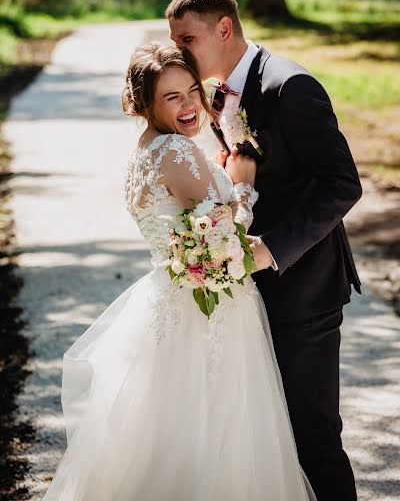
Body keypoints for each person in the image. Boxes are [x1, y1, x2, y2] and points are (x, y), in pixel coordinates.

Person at [41, 42, 316, 500]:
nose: (189, 104)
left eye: (191, 90)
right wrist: (243, 184)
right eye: (172, 97)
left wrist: (219, 175)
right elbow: (224, 236)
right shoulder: (175, 151)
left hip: (168, 299)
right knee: (219, 434)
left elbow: (188, 210)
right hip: (206, 311)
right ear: (145, 103)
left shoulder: (144, 151)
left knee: (167, 431)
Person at [166, 0, 362, 501]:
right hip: (248, 296)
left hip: (305, 292)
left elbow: (343, 184)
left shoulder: (292, 87)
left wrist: (271, 249)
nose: (177, 52)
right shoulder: (214, 94)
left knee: (313, 436)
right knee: (266, 438)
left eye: (185, 40)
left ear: (223, 28)